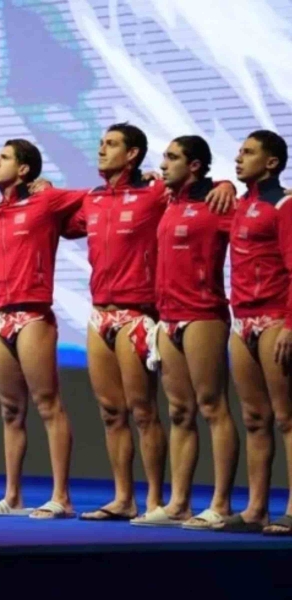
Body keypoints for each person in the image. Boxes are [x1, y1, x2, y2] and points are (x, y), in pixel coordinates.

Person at [65, 123, 235, 521]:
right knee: (111, 411)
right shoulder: (92, 199)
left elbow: (201, 187)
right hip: (99, 314)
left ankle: (157, 500)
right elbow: (51, 221)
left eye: (111, 144)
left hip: (138, 314)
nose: (101, 150)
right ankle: (124, 498)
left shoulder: (157, 193)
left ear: (132, 154)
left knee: (144, 411)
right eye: (101, 143)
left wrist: (226, 182)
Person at [129, 137, 241, 527]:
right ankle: (178, 504)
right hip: (168, 317)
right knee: (179, 411)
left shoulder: (218, 203)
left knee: (212, 406)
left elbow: (260, 223)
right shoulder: (169, 201)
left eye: (172, 158)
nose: (163, 164)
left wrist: (227, 184)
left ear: (194, 166)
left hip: (203, 314)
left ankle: (221, 504)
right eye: (164, 157)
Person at [0, 140, 86, 518]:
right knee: (10, 410)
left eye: (4, 157)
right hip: (1, 316)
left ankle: (61, 497)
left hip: (33, 315)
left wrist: (51, 187)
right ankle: (12, 496)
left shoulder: (46, 201)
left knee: (47, 405)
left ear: (24, 169)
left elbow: (99, 199)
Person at [216, 130, 292, 534]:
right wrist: (225, 184)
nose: (238, 158)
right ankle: (256, 509)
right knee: (254, 418)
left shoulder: (284, 205)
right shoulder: (239, 204)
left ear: (271, 162)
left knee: (287, 417)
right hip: (241, 320)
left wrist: (290, 326)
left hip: (275, 319)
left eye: (248, 153)